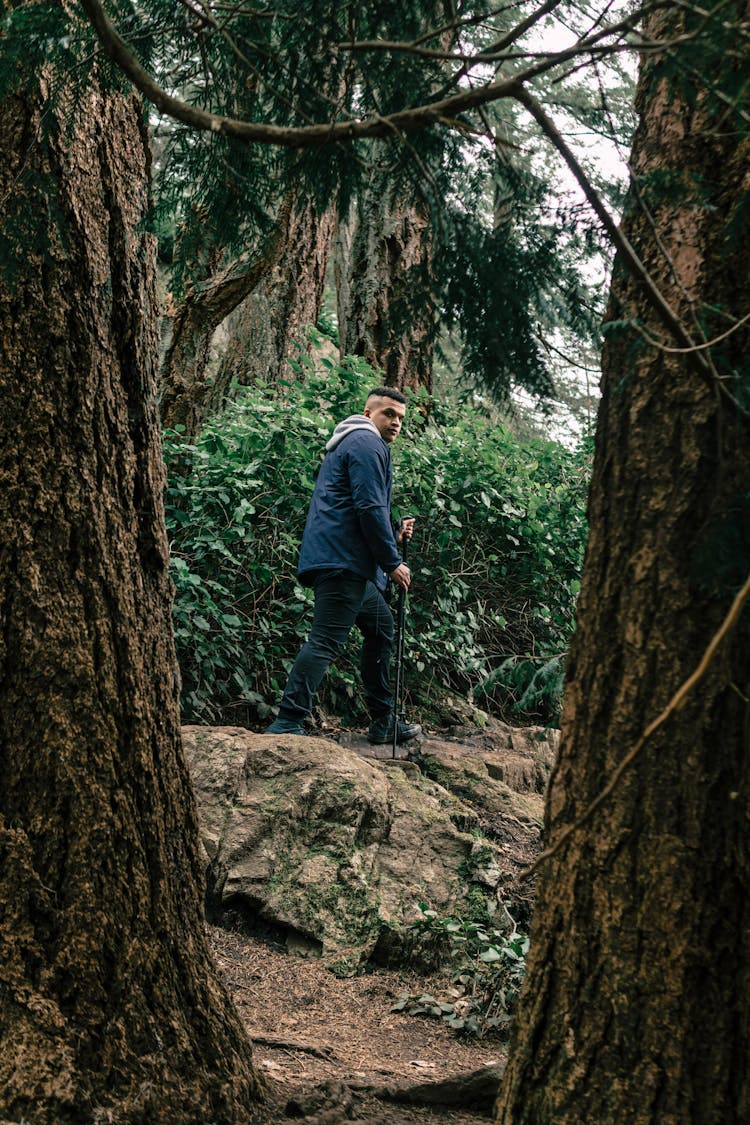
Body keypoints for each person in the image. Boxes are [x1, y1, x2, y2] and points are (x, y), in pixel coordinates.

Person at [265, 386, 422, 745]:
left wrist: (394, 535)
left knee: (381, 627)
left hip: (345, 561)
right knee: (324, 641)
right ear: (369, 414)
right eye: (388, 414)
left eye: (400, 417)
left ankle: (384, 721)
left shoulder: (355, 445)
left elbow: (360, 510)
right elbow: (368, 508)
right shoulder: (367, 443)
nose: (396, 422)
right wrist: (393, 562)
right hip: (342, 563)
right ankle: (287, 722)